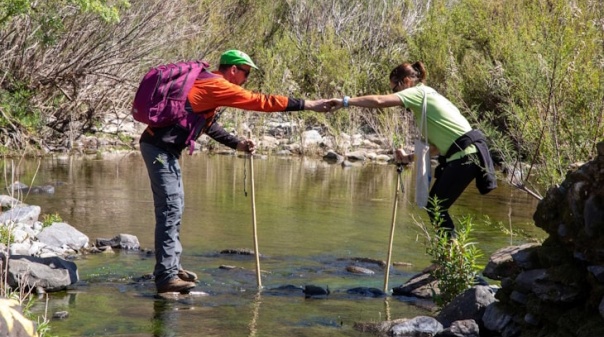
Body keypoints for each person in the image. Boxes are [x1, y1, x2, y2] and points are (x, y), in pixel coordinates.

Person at [139, 50, 332, 294]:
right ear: (233, 69)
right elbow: (259, 101)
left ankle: (172, 267)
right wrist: (309, 105)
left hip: (161, 148)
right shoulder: (218, 85)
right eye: (246, 73)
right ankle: (166, 276)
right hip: (159, 149)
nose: (246, 79)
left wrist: (237, 144)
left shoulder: (207, 83)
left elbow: (208, 125)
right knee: (170, 207)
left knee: (175, 206)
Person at [329, 61, 497, 238]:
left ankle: (452, 258)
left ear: (407, 81)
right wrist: (409, 158)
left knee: (436, 207)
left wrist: (346, 101)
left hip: (466, 155)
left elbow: (379, 101)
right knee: (436, 206)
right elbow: (436, 148)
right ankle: (450, 257)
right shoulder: (426, 98)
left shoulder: (418, 93)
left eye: (395, 89)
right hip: (466, 153)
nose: (395, 94)